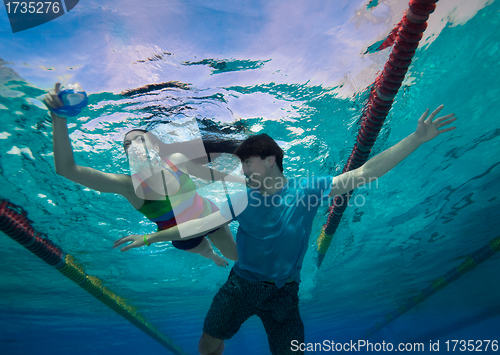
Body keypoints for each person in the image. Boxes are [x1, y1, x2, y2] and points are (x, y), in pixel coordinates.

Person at [114, 105, 457, 354]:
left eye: (246, 162)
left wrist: (416, 138)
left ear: (269, 159)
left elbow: (365, 172)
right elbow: (195, 225)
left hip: (285, 293)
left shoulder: (309, 189)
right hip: (241, 285)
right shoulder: (241, 199)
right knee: (208, 343)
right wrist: (149, 237)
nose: (242, 170)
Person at [44, 83, 244, 267]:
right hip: (183, 236)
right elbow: (67, 170)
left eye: (140, 140)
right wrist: (58, 118)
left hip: (208, 215)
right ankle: (212, 256)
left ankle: (229, 258)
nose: (133, 147)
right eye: (127, 145)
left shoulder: (176, 159)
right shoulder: (129, 186)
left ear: (156, 146)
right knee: (206, 251)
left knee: (234, 255)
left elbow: (208, 174)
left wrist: (242, 180)